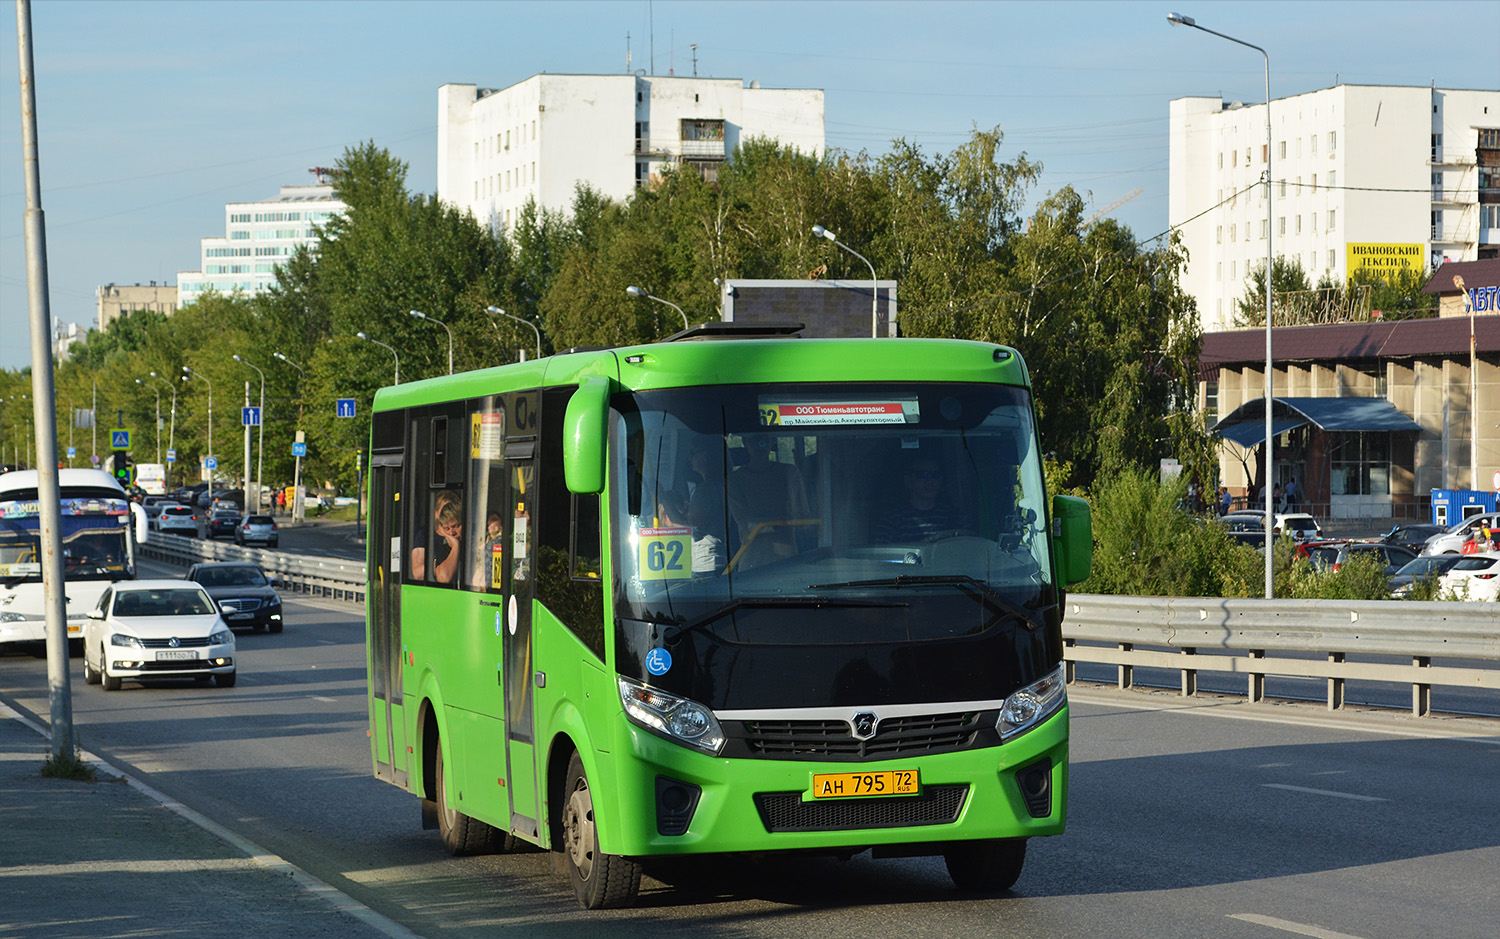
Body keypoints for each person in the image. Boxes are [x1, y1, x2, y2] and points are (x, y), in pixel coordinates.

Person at [726, 434, 812, 569]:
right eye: (754, 439)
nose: (760, 444)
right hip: (752, 563)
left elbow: (803, 517)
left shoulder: (789, 473)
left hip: (787, 562)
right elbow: (744, 521)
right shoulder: (734, 480)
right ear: (745, 442)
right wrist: (778, 523)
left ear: (772, 442)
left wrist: (796, 521)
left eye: (765, 439)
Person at [876, 456, 962, 543]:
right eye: (923, 475)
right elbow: (882, 554)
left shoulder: (955, 517)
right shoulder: (893, 519)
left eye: (935, 475)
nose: (930, 481)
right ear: (908, 481)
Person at [411, 490, 463, 584]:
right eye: (444, 509)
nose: (448, 513)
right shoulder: (425, 535)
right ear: (436, 512)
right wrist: (439, 565)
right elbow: (417, 573)